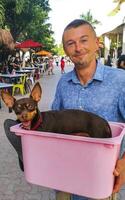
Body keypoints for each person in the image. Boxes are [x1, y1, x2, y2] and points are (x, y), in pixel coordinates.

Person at [51, 19, 125, 200]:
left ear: (96, 43)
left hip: (101, 179)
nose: (78, 48)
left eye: (84, 40)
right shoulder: (63, 83)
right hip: (65, 178)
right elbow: (53, 124)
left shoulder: (120, 80)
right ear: (65, 49)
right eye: (70, 43)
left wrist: (124, 163)